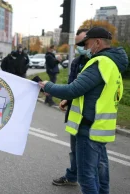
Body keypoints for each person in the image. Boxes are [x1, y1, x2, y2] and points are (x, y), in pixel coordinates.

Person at [39, 27, 128, 194]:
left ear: (97, 42)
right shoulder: (112, 64)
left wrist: (48, 86)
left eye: (87, 44)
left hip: (88, 127)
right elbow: (92, 92)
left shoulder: (99, 63)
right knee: (101, 171)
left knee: (86, 178)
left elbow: (74, 89)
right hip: (100, 127)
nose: (85, 48)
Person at [52, 28, 89, 186]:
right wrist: (66, 100)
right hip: (75, 114)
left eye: (83, 42)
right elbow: (72, 86)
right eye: (78, 43)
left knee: (95, 156)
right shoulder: (77, 61)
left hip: (91, 116)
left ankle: (96, 184)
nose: (80, 46)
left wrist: (48, 87)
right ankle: (72, 176)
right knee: (74, 150)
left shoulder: (99, 62)